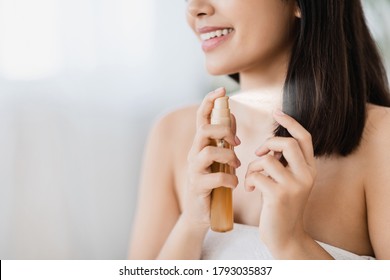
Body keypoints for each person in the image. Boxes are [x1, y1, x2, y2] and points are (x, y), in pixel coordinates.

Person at [128, 0, 390, 259]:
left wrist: (291, 243)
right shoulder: (172, 133)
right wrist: (191, 224)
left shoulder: (381, 139)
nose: (194, 8)